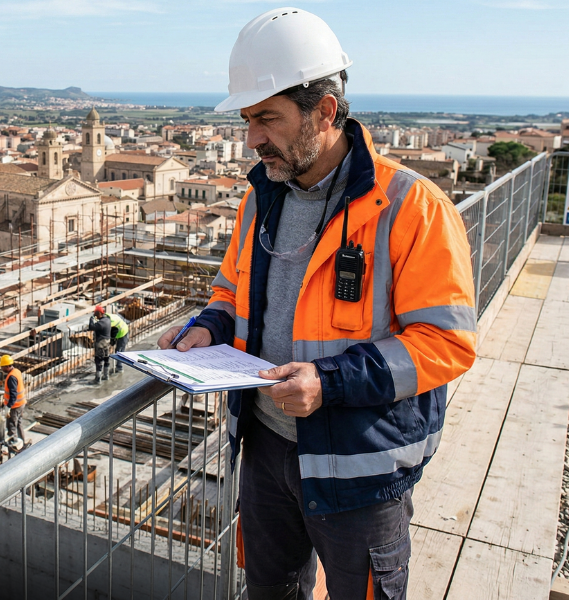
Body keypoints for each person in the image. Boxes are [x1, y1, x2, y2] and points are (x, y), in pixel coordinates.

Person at [158, 8, 477, 599]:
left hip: (362, 467)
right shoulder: (260, 200)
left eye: (268, 118)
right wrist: (209, 326)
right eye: (249, 119)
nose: (253, 137)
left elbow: (447, 342)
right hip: (265, 450)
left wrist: (328, 383)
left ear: (325, 111)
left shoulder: (413, 207)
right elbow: (231, 290)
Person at [0, 354, 27, 443]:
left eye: (3, 367)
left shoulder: (11, 377)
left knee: (12, 425)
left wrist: (8, 407)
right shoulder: (16, 371)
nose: (2, 369)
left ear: (7, 366)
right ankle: (22, 441)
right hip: (21, 403)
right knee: (19, 424)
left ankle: (14, 443)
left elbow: (13, 394)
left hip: (15, 406)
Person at [87, 305, 112, 383]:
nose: (95, 314)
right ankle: (106, 375)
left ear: (98, 313)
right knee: (106, 358)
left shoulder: (101, 323)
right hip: (107, 342)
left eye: (95, 313)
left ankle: (98, 379)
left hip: (101, 343)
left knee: (98, 360)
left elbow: (91, 327)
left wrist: (91, 318)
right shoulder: (107, 320)